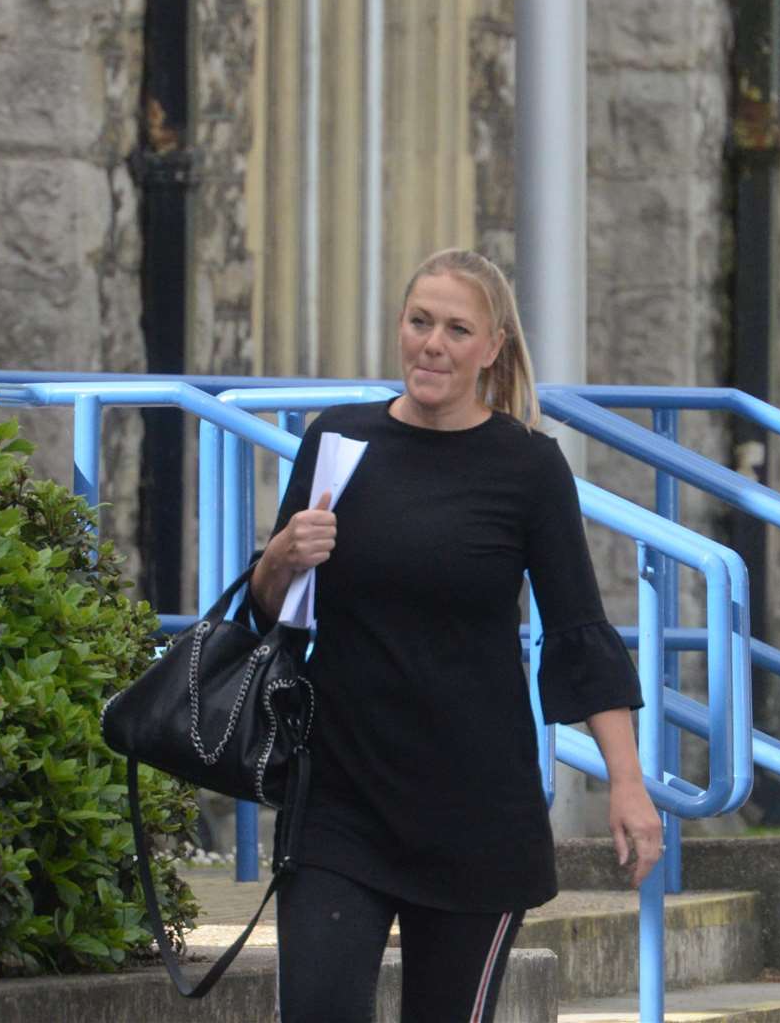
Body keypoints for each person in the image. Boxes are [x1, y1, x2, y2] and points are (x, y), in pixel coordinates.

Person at [247, 248, 663, 1023]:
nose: (432, 344)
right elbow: (273, 616)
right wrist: (278, 556)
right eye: (419, 322)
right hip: (341, 798)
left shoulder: (529, 467)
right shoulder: (338, 442)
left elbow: (578, 629)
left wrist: (627, 784)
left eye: (456, 329)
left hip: (474, 813)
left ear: (491, 349)